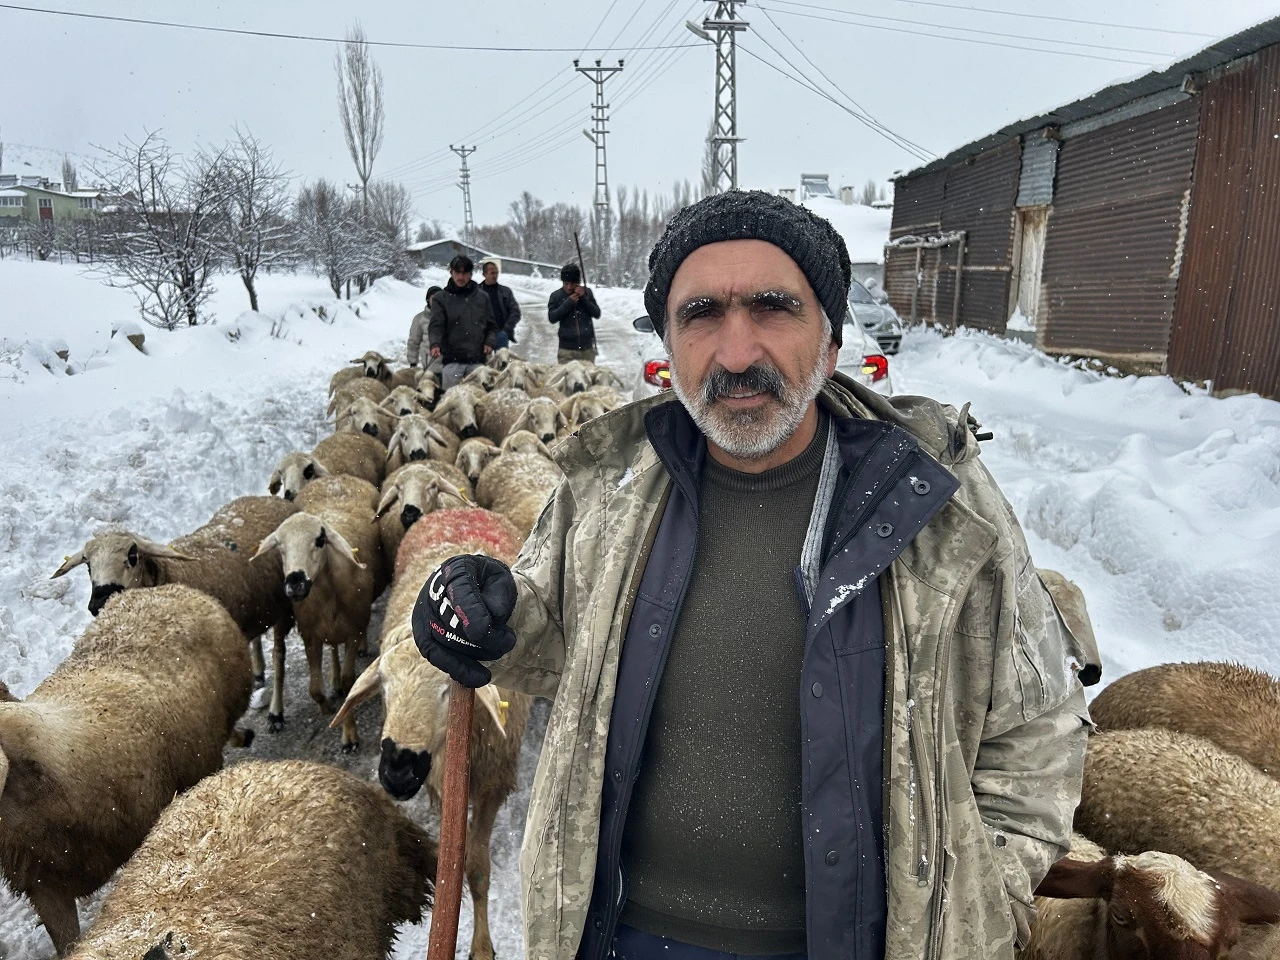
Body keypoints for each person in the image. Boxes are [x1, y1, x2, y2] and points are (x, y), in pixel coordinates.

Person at [413, 191, 1091, 960]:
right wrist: (483, 614)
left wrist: (983, 898)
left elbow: (1037, 726)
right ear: (668, 345)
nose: (736, 353)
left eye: (773, 307)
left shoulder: (937, 508)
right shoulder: (610, 489)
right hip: (620, 936)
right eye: (701, 313)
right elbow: (552, 644)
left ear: (830, 342)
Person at [428, 255, 499, 389]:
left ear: (471, 274)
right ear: (451, 273)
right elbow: (436, 326)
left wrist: (489, 342)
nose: (461, 277)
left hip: (477, 361)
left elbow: (492, 327)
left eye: (465, 273)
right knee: (451, 401)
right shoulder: (441, 299)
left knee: (480, 400)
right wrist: (435, 343)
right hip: (452, 362)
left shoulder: (482, 298)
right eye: (457, 273)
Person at [547, 262, 601, 364]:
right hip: (566, 350)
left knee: (588, 379)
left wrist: (584, 299)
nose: (568, 287)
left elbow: (597, 313)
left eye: (572, 284)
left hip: (587, 349)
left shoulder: (587, 292)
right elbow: (552, 317)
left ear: (578, 282)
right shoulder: (556, 296)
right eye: (566, 283)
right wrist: (568, 303)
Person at [480, 259, 522, 349]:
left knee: (502, 361)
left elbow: (515, 311)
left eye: (496, 273)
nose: (495, 276)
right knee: (485, 362)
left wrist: (506, 329)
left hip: (501, 335)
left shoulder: (505, 292)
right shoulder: (476, 292)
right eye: (492, 273)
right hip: (482, 337)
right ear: (484, 274)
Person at [407, 284, 443, 370]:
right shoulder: (420, 319)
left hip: (450, 367)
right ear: (428, 300)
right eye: (434, 298)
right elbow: (413, 342)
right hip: (430, 366)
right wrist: (413, 363)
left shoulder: (450, 317)